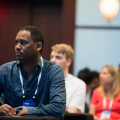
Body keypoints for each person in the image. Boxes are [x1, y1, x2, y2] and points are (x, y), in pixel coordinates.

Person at [0, 26, 66, 120]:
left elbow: (58, 108)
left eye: (23, 43)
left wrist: (28, 111)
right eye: (16, 42)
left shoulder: (53, 70)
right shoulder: (5, 70)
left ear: (38, 46)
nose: (17, 47)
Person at [50, 44, 86, 113]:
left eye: (58, 57)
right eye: (52, 57)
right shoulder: (43, 81)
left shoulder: (78, 84)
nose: (53, 60)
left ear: (68, 62)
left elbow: (71, 114)